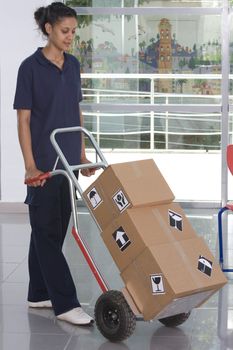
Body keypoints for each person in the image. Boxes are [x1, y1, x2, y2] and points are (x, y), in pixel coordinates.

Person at [13, 2, 96, 325]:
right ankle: (66, 303)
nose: (70, 37)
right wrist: (30, 166)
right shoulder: (29, 68)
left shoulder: (73, 64)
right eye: (65, 31)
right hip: (45, 165)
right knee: (47, 234)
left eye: (74, 32)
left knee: (51, 231)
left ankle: (38, 293)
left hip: (67, 163)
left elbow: (76, 111)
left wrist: (81, 154)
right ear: (48, 29)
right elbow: (24, 120)